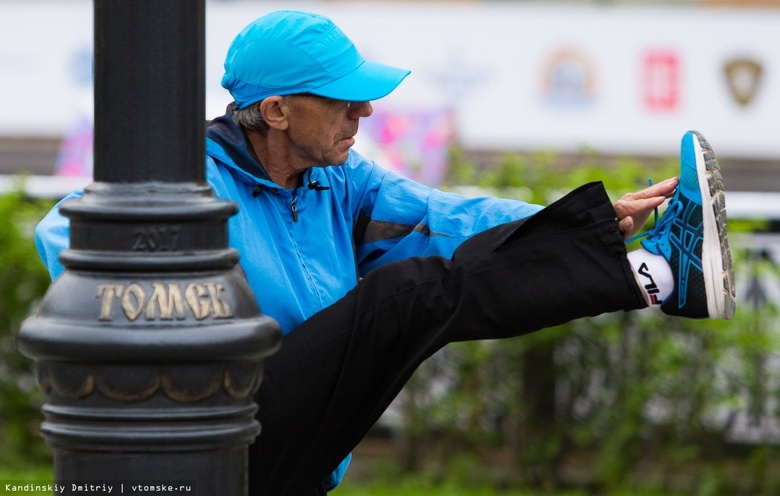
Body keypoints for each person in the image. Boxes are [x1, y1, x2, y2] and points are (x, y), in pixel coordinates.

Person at [34, 9, 736, 496]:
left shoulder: (340, 181)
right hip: (215, 427)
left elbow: (447, 220)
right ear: (276, 110)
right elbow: (60, 233)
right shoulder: (188, 176)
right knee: (401, 299)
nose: (362, 113)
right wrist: (188, 330)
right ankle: (663, 277)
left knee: (423, 291)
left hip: (294, 461)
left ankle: (654, 273)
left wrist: (588, 223)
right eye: (342, 100)